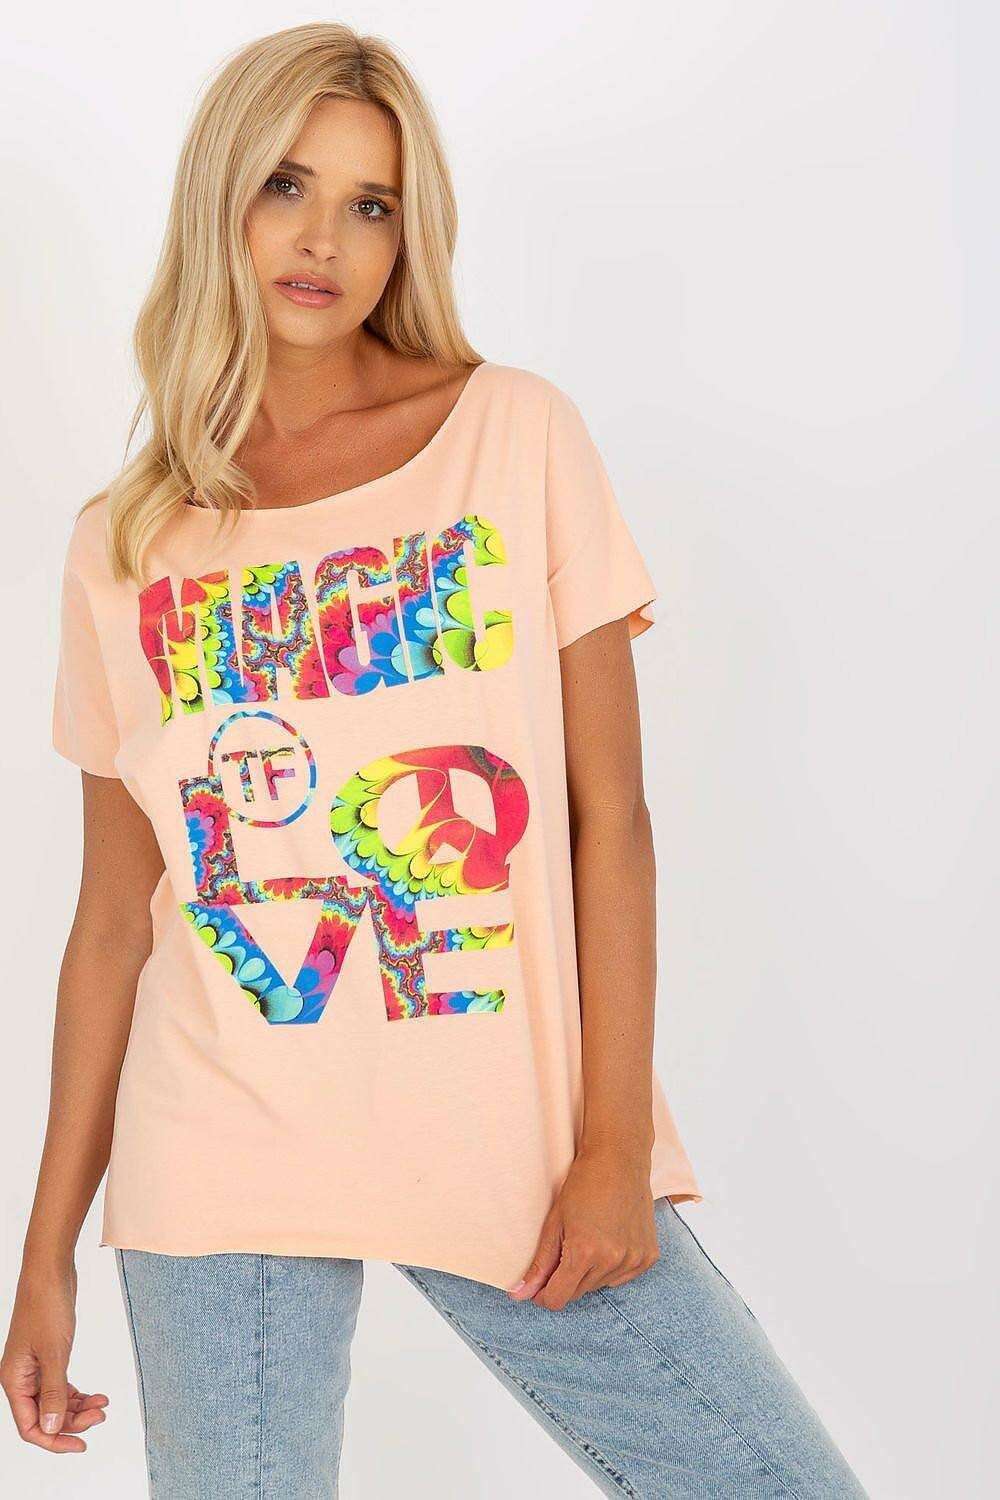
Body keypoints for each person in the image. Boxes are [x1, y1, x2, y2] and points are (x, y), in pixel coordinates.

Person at [1, 23, 868, 1498]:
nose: (322, 240)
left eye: (372, 204)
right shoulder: (127, 540)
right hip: (217, 1155)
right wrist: (46, 1255)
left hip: (511, 1141)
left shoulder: (511, 436)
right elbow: (109, 927)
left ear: (411, 236)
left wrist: (614, 1148)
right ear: (220, 197)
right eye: (286, 185)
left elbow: (610, 819)